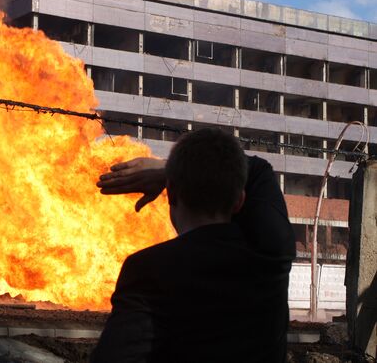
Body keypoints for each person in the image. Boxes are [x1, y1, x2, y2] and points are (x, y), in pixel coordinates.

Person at [91, 128, 295, 363]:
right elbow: (259, 170)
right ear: (239, 201)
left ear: (173, 195)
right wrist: (167, 171)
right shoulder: (271, 254)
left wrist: (175, 173)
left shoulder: (148, 269)